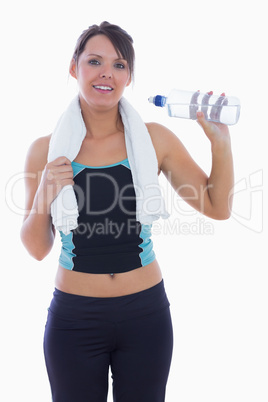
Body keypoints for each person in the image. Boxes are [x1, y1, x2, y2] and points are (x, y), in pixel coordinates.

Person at [20, 21, 234, 402]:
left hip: (145, 315)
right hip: (75, 320)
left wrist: (221, 143)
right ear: (74, 68)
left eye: (119, 65)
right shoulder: (46, 151)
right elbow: (36, 248)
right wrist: (44, 196)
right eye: (95, 61)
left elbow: (217, 207)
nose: (107, 73)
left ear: (129, 76)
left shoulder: (154, 140)